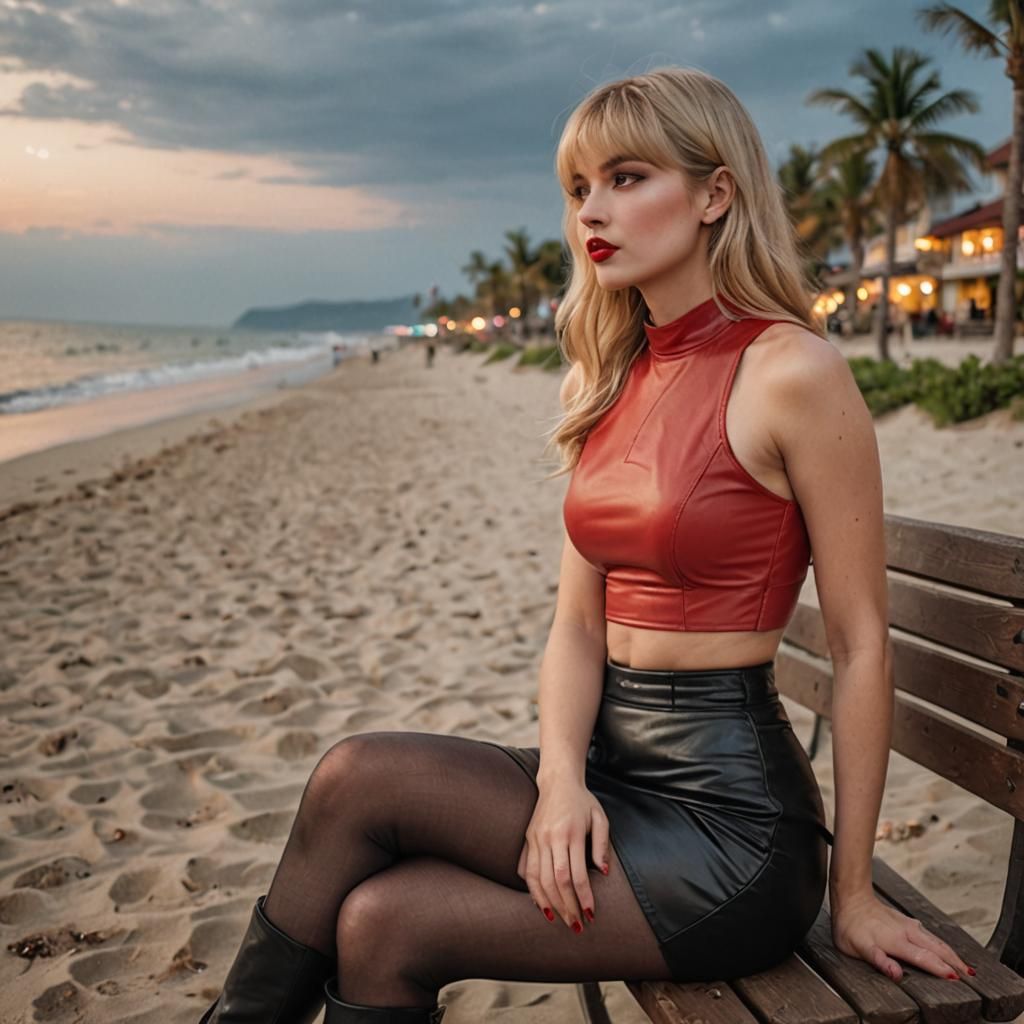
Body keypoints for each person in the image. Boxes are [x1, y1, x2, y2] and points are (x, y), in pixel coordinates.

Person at [197, 67, 973, 1024]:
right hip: (610, 770)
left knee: (389, 923)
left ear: (715, 193)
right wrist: (559, 783)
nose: (591, 212)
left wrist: (852, 897)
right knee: (356, 798)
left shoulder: (791, 371)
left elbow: (860, 648)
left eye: (627, 178)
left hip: (729, 831)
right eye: (577, 189)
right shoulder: (615, 375)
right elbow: (575, 628)